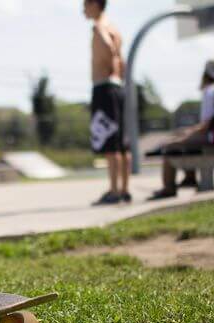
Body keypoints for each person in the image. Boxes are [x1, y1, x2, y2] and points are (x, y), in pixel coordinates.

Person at [148, 59, 214, 200]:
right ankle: (189, 178)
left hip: (213, 139)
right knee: (181, 135)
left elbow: (205, 126)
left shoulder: (210, 92)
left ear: (205, 75)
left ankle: (168, 188)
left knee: (169, 145)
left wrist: (185, 136)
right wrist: (187, 133)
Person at [84, 0, 132, 205]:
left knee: (110, 142)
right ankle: (124, 189)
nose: (83, 10)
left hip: (104, 88)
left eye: (85, 5)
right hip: (117, 87)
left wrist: (108, 62)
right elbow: (122, 59)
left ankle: (114, 190)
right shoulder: (114, 28)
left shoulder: (99, 28)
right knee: (122, 143)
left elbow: (109, 49)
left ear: (95, 4)